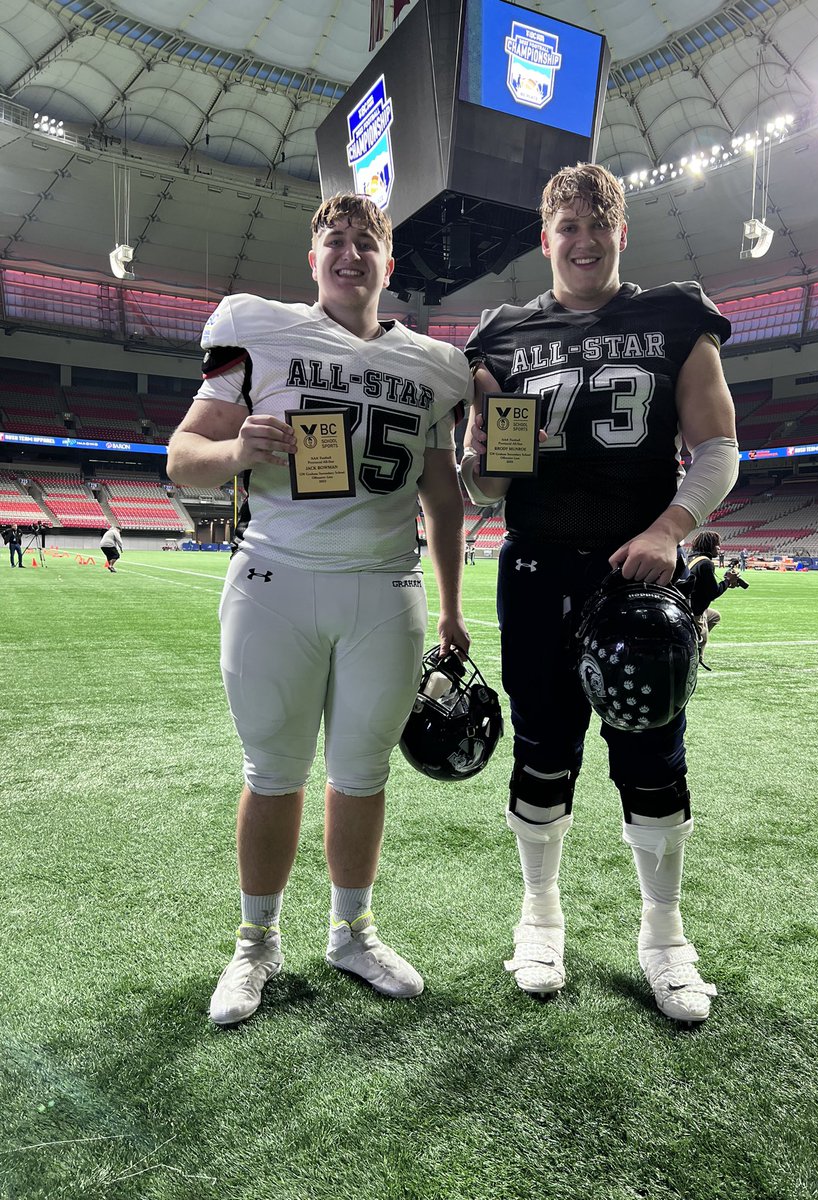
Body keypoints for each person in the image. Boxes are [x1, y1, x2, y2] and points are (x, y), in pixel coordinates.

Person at [167, 193, 471, 1026]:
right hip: (277, 580)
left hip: (386, 590)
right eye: (334, 240)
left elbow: (443, 499)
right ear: (313, 260)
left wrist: (453, 607)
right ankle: (255, 942)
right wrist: (236, 448)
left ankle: (351, 932)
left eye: (366, 241)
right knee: (273, 772)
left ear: (388, 263)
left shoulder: (434, 366)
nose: (350, 253)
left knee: (363, 773)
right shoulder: (258, 328)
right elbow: (183, 456)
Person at [460, 163, 739, 1023]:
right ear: (545, 239)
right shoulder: (503, 335)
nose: (583, 242)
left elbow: (719, 447)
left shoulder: (674, 317)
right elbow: (489, 490)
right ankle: (540, 918)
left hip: (637, 577)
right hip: (537, 570)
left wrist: (669, 529)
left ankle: (664, 936)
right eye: (567, 227)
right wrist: (478, 460)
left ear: (622, 233)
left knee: (653, 756)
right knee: (542, 750)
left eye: (597, 225)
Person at [687, 530, 742, 656]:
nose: (719, 547)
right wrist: (728, 581)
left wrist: (726, 582)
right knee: (702, 640)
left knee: (715, 616)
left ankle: (693, 633)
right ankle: (696, 651)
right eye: (717, 544)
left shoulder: (692, 558)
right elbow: (713, 593)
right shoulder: (706, 563)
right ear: (710, 545)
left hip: (687, 604)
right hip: (695, 610)